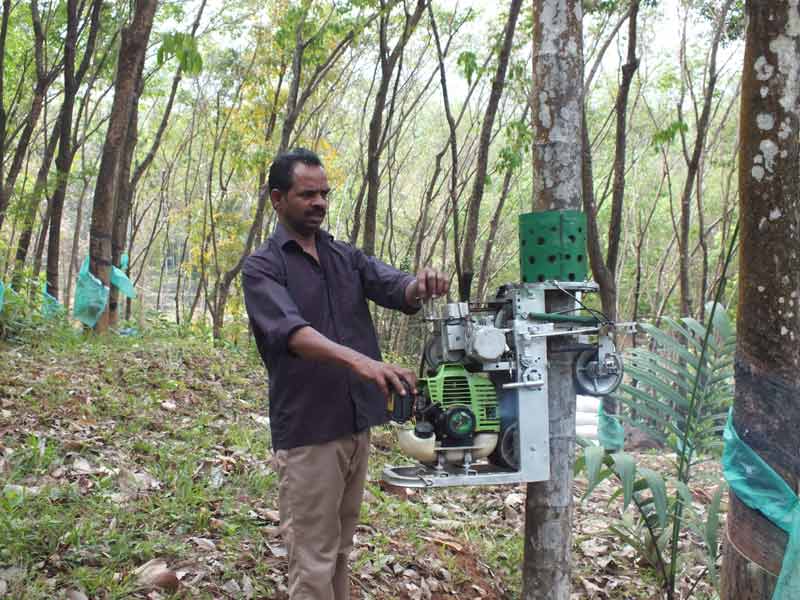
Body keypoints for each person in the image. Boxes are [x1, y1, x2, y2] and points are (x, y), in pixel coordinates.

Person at [241, 148, 448, 600]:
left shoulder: (342, 256)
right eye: (306, 194)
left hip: (354, 424)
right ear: (278, 199)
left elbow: (392, 284)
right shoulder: (263, 267)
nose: (318, 202)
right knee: (312, 557)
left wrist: (420, 285)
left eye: (324, 194)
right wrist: (364, 362)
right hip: (310, 430)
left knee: (338, 550)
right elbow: (293, 333)